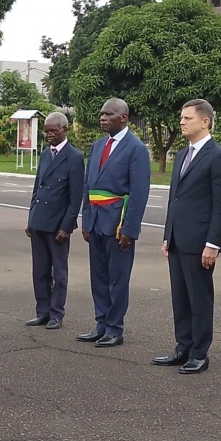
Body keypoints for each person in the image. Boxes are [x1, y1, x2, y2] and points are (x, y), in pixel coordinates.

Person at [151, 99, 221, 375]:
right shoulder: (182, 155)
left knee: (199, 299)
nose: (182, 122)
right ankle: (183, 346)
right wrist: (168, 235)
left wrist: (213, 243)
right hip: (178, 238)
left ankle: (199, 353)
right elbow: (175, 199)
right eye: (182, 118)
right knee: (180, 297)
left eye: (188, 118)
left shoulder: (218, 156)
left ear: (205, 122)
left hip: (200, 241)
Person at [77, 98, 151, 348]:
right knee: (98, 276)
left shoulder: (136, 148)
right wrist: (86, 219)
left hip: (118, 222)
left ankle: (114, 328)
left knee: (117, 279)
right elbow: (87, 187)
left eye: (109, 114)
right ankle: (101, 324)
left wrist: (130, 228)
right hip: (96, 220)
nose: (103, 118)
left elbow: (139, 193)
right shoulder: (98, 146)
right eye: (101, 114)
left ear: (123, 117)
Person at [25, 112, 84, 330]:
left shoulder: (74, 157)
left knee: (59, 273)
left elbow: (75, 197)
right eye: (46, 131)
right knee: (39, 271)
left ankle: (56, 313)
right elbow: (37, 188)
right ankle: (42, 312)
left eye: (53, 130)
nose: (49, 135)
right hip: (39, 221)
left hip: (58, 225)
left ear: (64, 130)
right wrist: (31, 218)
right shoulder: (44, 155)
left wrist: (66, 226)